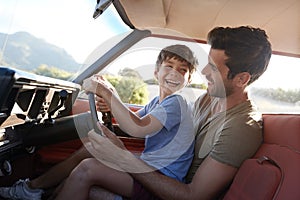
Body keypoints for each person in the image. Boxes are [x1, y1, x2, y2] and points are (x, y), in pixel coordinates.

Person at [80, 25, 272, 200]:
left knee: (87, 174)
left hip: (174, 190)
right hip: (160, 176)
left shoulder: (241, 128)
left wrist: (123, 156)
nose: (204, 72)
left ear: (241, 79)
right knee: (87, 163)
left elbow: (192, 195)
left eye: (213, 68)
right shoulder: (208, 99)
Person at [0, 44, 198, 200]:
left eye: (182, 70)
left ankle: (33, 190)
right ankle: (32, 189)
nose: (174, 73)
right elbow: (133, 122)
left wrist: (107, 92)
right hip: (150, 167)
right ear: (156, 72)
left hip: (160, 180)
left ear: (188, 80)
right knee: (91, 148)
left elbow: (137, 129)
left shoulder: (177, 103)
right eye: (169, 66)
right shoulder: (158, 102)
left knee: (88, 168)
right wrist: (111, 108)